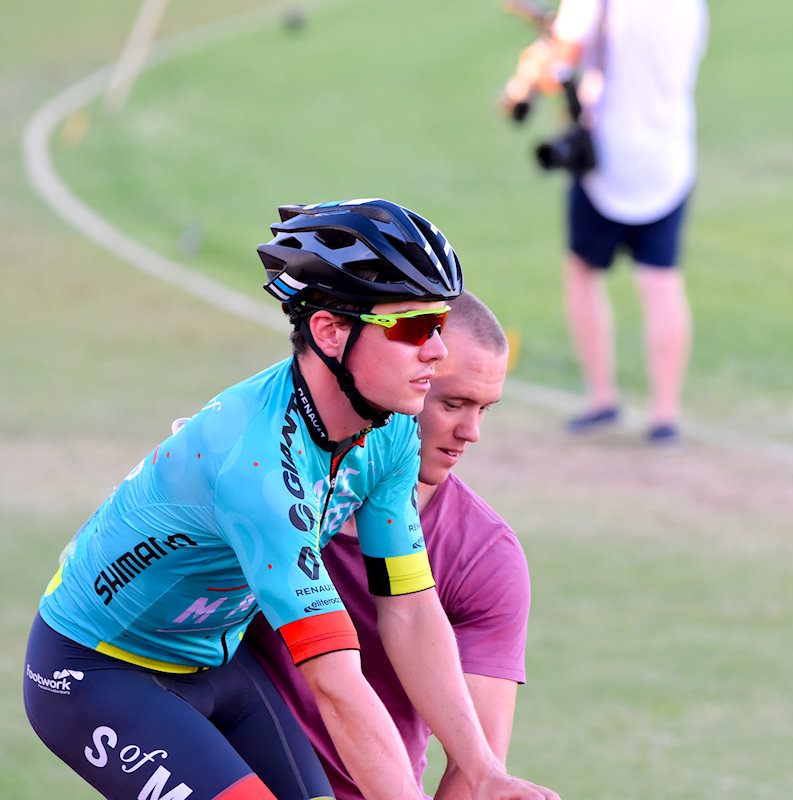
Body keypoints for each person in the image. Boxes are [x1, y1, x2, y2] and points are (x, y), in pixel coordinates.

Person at [23, 199, 557, 800]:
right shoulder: (257, 470)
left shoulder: (392, 429)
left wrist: (482, 769)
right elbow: (336, 684)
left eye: (438, 325)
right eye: (411, 327)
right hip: (100, 672)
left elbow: (408, 606)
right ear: (329, 331)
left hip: (217, 660)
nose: (437, 351)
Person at [245, 289, 529, 800]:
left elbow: (477, 766)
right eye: (453, 402)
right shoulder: (273, 488)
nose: (471, 432)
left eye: (485, 409)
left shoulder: (484, 555)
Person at [527, 0, 708, 443]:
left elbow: (559, 67)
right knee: (661, 281)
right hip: (669, 155)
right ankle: (665, 415)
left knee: (583, 270)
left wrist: (533, 68)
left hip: (609, 160)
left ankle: (602, 398)